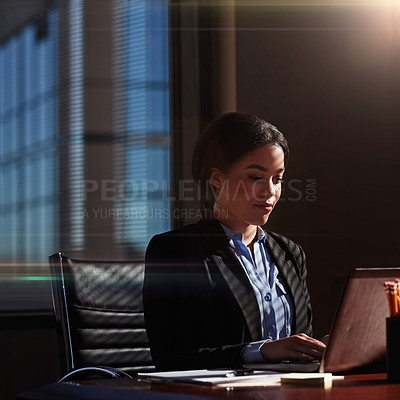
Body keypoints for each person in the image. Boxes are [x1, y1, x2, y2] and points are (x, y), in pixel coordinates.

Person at [143, 112, 326, 371]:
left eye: (278, 179)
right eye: (256, 177)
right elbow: (172, 357)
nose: (270, 192)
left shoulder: (290, 253)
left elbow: (300, 343)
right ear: (216, 178)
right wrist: (260, 351)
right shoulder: (176, 251)